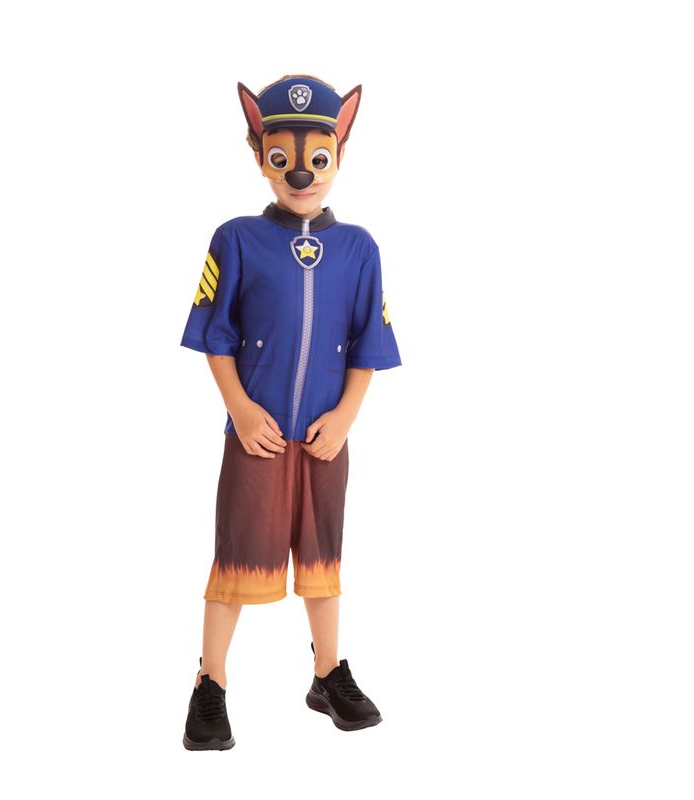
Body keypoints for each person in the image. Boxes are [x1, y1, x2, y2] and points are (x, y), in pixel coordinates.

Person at [179, 74, 402, 750]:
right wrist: (241, 410)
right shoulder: (236, 239)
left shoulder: (359, 248)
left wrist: (347, 417)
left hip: (326, 436)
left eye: (318, 158)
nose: (301, 173)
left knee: (323, 553)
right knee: (236, 558)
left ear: (339, 155)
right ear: (260, 156)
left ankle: (328, 672)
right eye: (282, 158)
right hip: (259, 436)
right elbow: (215, 335)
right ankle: (210, 682)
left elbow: (368, 342)